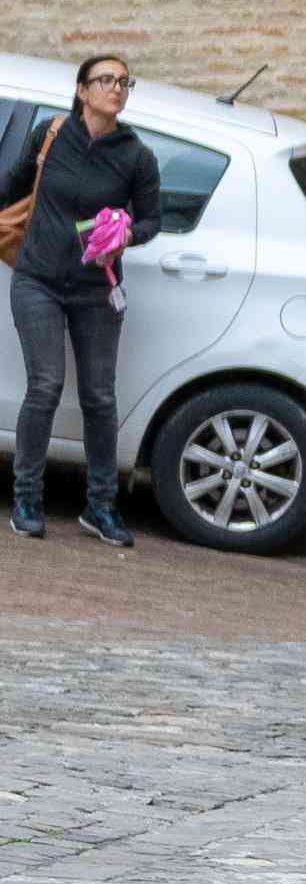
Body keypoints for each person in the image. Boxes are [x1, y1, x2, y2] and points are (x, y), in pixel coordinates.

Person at [10, 54, 159, 546]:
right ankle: (27, 499)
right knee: (45, 385)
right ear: (81, 90)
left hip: (96, 289)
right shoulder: (51, 135)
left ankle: (101, 506)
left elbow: (152, 220)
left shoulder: (136, 155)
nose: (117, 88)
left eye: (124, 81)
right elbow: (12, 186)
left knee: (99, 396)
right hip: (38, 281)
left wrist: (128, 234)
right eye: (106, 79)